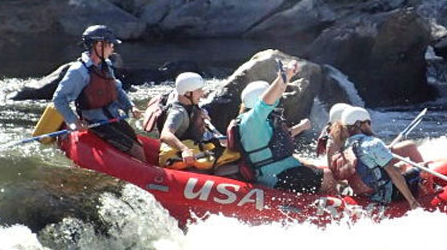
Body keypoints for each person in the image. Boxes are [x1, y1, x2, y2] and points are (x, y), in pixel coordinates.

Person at [234, 60, 335, 194]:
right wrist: (284, 77)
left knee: (316, 167)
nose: (277, 100)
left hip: (283, 168)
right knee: (329, 177)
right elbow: (264, 103)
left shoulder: (259, 122)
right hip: (277, 177)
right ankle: (330, 208)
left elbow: (276, 140)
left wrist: (301, 127)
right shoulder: (252, 120)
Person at [52, 25, 145, 162]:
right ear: (99, 45)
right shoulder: (79, 71)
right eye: (110, 44)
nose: (113, 48)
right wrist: (74, 122)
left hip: (113, 118)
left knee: (139, 145)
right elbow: (59, 99)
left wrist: (130, 107)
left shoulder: (106, 65)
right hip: (96, 123)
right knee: (136, 151)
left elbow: (117, 90)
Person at [330, 106, 422, 208]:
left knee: (401, 166)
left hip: (365, 194)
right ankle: (430, 194)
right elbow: (393, 173)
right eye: (368, 123)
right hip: (384, 195)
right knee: (422, 169)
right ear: (359, 124)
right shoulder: (372, 143)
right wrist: (411, 201)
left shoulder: (345, 146)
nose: (370, 126)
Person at [158, 72, 232, 169]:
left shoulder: (189, 103)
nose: (202, 94)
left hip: (195, 145)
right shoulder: (178, 113)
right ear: (188, 93)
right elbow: (165, 134)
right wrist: (184, 150)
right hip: (181, 153)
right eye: (199, 90)